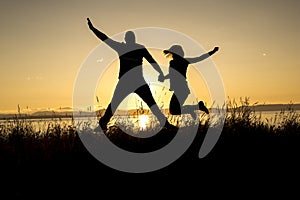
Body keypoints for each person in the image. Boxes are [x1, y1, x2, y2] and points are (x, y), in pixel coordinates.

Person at [87, 18, 174, 131]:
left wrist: (160, 73)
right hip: (125, 82)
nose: (130, 40)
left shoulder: (136, 48)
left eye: (131, 38)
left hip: (138, 82)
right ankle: (102, 125)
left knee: (152, 104)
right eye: (129, 38)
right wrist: (93, 29)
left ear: (132, 39)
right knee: (113, 105)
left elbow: (152, 61)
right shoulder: (123, 47)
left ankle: (166, 124)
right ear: (127, 39)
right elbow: (105, 38)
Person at [161, 45, 219, 119]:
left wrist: (212, 51)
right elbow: (173, 74)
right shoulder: (174, 62)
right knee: (174, 110)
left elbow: (200, 58)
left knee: (174, 111)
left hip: (181, 89)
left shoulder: (181, 61)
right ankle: (196, 107)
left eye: (172, 53)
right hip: (180, 89)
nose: (171, 55)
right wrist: (164, 77)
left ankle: (196, 107)